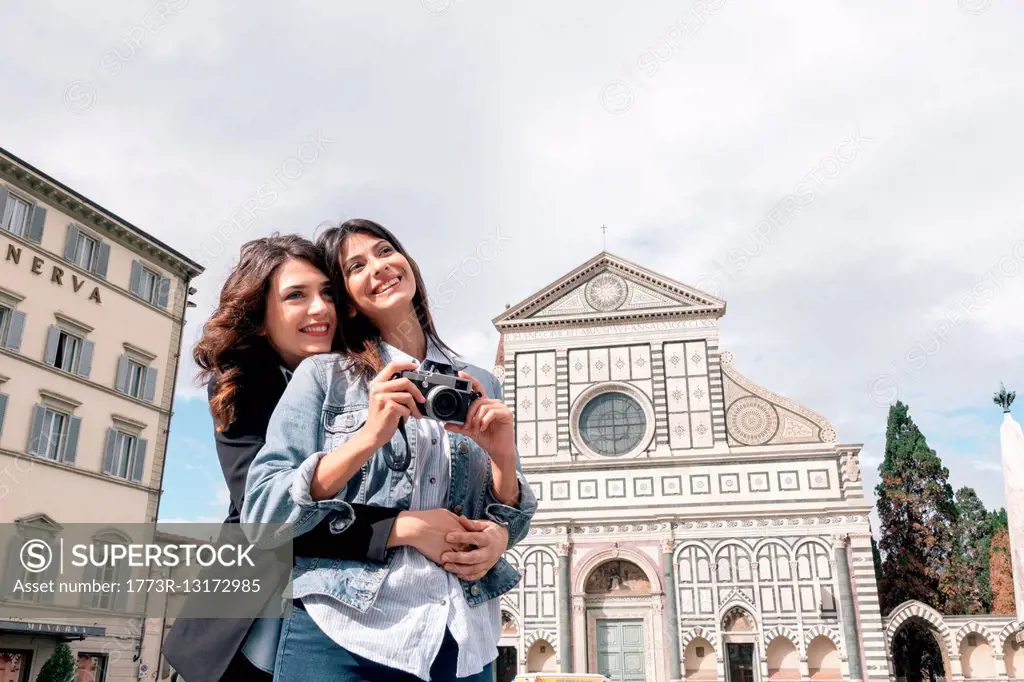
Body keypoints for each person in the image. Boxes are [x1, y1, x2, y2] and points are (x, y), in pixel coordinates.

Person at [161, 234, 474, 682]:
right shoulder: (241, 387)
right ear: (260, 318)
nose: (320, 309)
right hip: (250, 617)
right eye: (296, 296)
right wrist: (401, 530)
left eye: (328, 293)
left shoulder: (367, 377)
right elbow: (269, 513)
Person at [241, 218, 537, 681]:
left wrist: (502, 466)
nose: (378, 267)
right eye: (356, 266)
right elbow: (262, 517)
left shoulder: (479, 378)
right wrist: (367, 437)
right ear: (349, 302)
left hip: (463, 639)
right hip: (343, 636)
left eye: (384, 251)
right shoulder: (324, 375)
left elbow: (502, 518)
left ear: (407, 264)